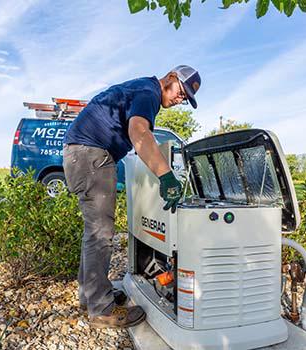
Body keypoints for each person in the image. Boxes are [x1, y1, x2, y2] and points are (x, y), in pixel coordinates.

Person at [62, 65, 201, 328]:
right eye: (181, 93)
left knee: (93, 232)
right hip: (92, 156)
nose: (179, 100)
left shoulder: (140, 88)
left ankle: (90, 296)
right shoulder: (148, 93)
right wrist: (166, 175)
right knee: (100, 234)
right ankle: (101, 310)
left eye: (185, 99)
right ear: (170, 78)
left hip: (81, 154)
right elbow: (139, 133)